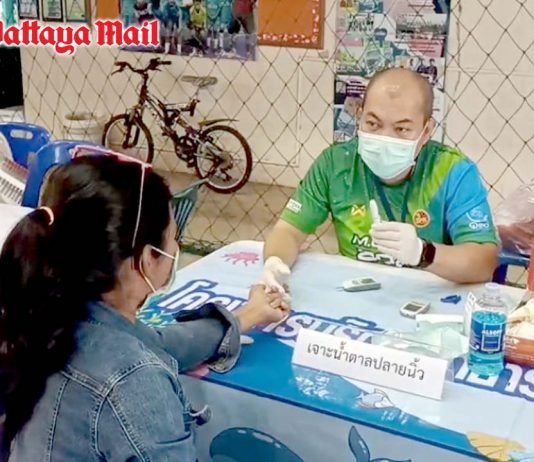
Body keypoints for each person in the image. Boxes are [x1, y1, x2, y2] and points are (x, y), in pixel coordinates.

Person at [0, 155, 289, 461]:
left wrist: (247, 316)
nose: (176, 248)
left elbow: (159, 342)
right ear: (147, 258)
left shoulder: (48, 317)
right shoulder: (134, 381)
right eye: (174, 237)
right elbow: (135, 365)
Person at [261, 68, 499, 291]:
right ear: (359, 117)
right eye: (373, 124)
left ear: (426, 131)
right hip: (357, 292)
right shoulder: (336, 164)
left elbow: (483, 262)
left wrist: (423, 253)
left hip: (429, 295)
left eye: (402, 129)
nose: (385, 138)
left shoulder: (453, 171)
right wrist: (274, 263)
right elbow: (288, 231)